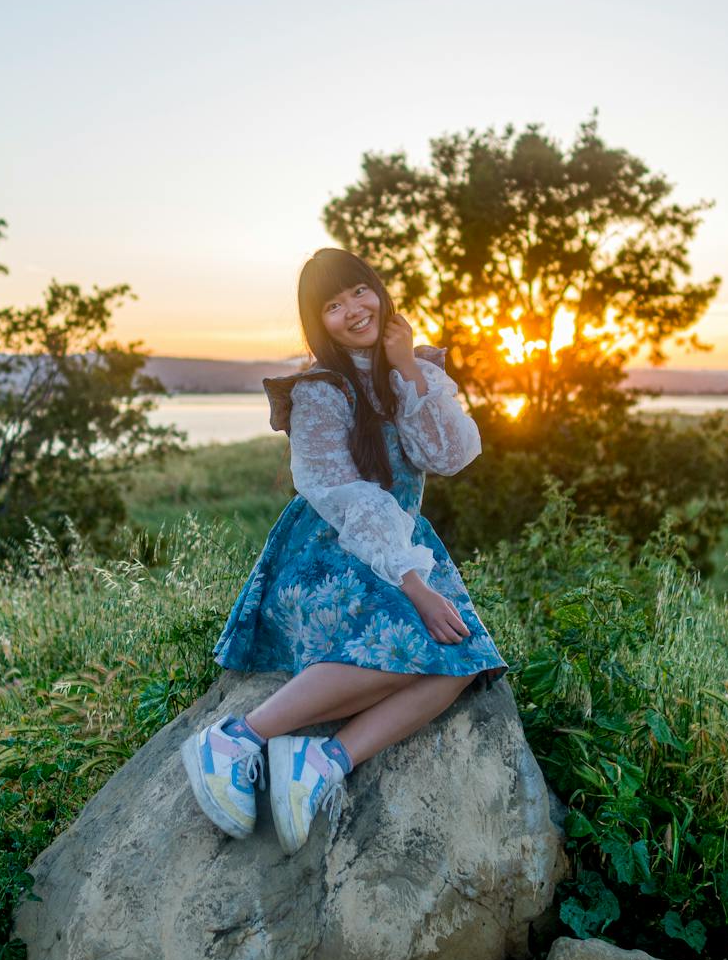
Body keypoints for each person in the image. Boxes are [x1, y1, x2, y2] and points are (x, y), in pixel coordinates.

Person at [182, 247, 508, 853]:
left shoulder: (413, 370)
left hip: (401, 541)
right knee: (405, 639)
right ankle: (235, 739)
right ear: (317, 323)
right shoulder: (319, 390)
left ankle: (323, 760)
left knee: (464, 659)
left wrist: (407, 367)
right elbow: (341, 493)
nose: (353, 310)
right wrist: (414, 584)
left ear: (379, 291)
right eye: (332, 306)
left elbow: (452, 455)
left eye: (359, 292)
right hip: (330, 547)